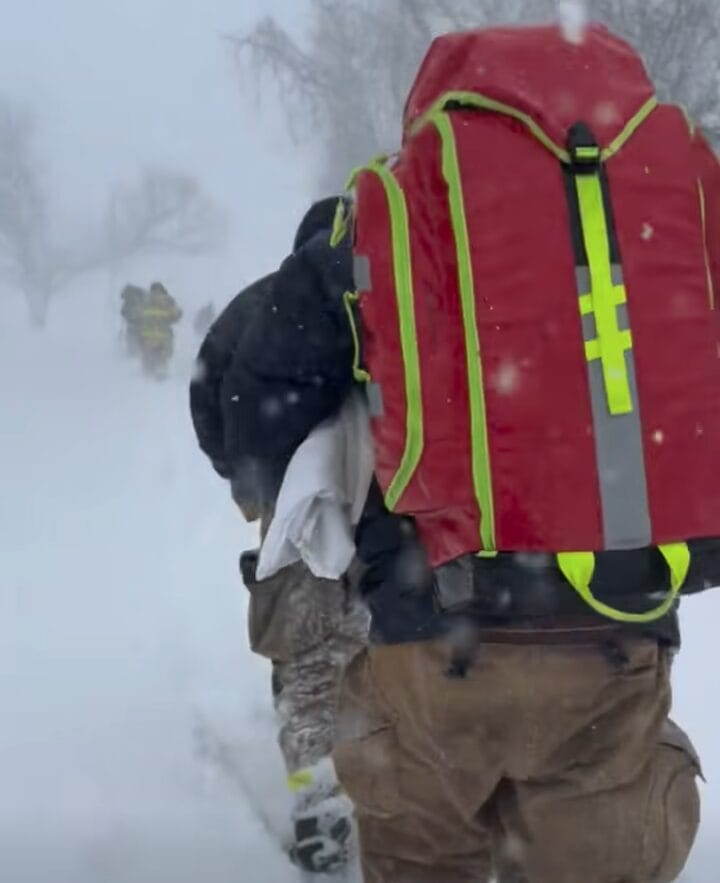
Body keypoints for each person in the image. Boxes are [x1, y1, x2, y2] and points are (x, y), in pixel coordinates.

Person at [210, 22, 720, 883]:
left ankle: (317, 788)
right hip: (618, 635)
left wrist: (278, 492)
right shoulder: (659, 212)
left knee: (423, 847)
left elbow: (246, 396)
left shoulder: (385, 223)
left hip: (431, 634)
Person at [190, 198, 367, 874]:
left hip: (294, 514)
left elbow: (209, 397)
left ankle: (318, 794)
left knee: (305, 661)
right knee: (387, 651)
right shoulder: (405, 293)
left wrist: (254, 486)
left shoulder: (262, 304)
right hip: (394, 508)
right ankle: (399, 791)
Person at [138, 282, 182, 380]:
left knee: (147, 356)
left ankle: (146, 374)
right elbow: (176, 316)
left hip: (146, 335)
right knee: (163, 356)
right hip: (163, 335)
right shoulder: (168, 301)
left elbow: (138, 316)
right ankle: (161, 371)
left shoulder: (145, 300)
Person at [119, 284, 147, 357]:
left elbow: (123, 312)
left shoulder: (128, 300)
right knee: (141, 336)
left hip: (132, 322)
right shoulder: (141, 296)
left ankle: (132, 352)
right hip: (142, 322)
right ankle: (142, 351)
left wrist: (126, 314)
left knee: (131, 337)